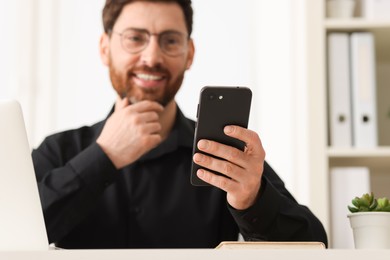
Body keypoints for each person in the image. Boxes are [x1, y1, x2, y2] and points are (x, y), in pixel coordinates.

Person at [32, 0, 328, 249]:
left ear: (190, 54)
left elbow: (314, 244)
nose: (151, 57)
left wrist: (253, 199)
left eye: (170, 40)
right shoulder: (58, 151)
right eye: (135, 38)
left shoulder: (222, 155)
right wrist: (103, 156)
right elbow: (11, 232)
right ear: (105, 48)